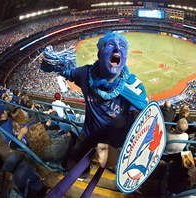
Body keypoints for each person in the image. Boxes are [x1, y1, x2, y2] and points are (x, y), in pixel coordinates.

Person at [40, 32, 148, 173]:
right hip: (88, 135)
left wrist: (122, 151)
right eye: (110, 45)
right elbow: (68, 72)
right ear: (99, 54)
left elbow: (145, 122)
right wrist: (53, 64)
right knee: (76, 162)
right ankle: (81, 174)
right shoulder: (86, 74)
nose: (117, 48)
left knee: (114, 170)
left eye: (122, 46)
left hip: (115, 144)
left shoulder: (134, 86)